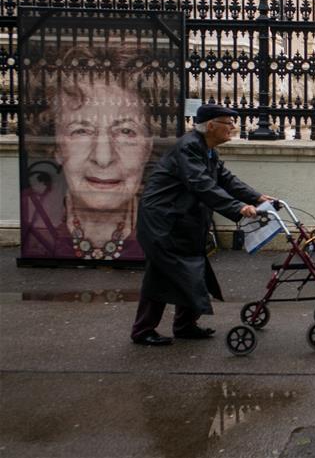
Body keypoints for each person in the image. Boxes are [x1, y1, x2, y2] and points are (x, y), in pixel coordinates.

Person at [130, 104, 275, 346]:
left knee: (192, 271)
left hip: (181, 221)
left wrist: (257, 197)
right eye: (228, 123)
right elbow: (201, 184)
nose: (233, 128)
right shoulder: (188, 148)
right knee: (162, 275)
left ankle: (185, 325)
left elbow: (226, 179)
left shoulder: (206, 150)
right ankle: (142, 331)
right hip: (163, 222)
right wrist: (237, 208)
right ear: (210, 126)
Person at [21, 44, 166, 261]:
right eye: (81, 131)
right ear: (57, 147)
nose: (103, 158)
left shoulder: (166, 222)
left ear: (148, 147)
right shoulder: (33, 214)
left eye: (126, 131)